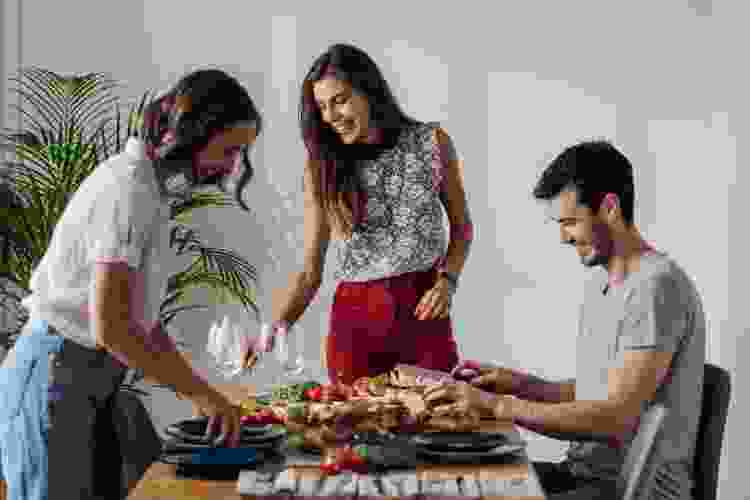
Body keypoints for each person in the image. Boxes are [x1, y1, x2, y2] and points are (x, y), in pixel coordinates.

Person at [0, 69, 263, 500]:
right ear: (197, 132)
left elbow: (143, 324)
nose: (233, 166)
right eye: (230, 149)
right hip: (52, 374)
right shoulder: (128, 190)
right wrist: (198, 392)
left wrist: (204, 394)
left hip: (84, 379)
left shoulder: (149, 190)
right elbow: (112, 328)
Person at [424, 140, 705, 500]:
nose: (563, 237)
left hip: (626, 490)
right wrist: (517, 384)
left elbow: (614, 418)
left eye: (571, 222)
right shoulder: (607, 284)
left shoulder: (654, 286)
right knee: (454, 482)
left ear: (609, 207)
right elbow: (600, 393)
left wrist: (495, 406)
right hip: (584, 475)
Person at [243, 43, 474, 384]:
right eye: (322, 106)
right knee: (357, 434)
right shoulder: (322, 168)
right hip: (356, 328)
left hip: (424, 318)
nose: (330, 116)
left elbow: (462, 227)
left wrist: (448, 281)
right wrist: (271, 333)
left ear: (370, 92)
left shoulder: (432, 143)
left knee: (438, 424)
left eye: (339, 100)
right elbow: (310, 272)